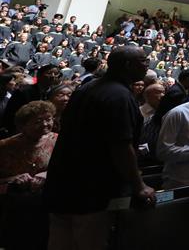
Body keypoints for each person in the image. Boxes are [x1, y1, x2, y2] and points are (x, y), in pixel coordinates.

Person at [44, 46, 156, 250]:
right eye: (144, 61)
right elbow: (121, 146)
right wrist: (139, 186)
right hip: (92, 189)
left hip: (63, 181)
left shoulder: (87, 88)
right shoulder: (120, 96)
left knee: (60, 241)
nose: (147, 65)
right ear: (128, 65)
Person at [0, 100, 57, 189]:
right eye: (38, 121)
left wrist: (46, 174)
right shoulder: (5, 146)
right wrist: (12, 179)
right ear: (23, 125)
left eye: (48, 119)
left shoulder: (57, 140)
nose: (45, 124)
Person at [2, 64, 61, 135]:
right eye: (49, 73)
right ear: (39, 75)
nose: (53, 76)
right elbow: (10, 112)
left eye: (56, 74)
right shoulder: (24, 91)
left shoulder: (54, 94)